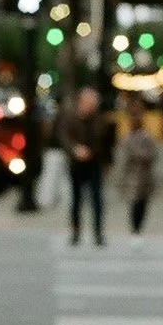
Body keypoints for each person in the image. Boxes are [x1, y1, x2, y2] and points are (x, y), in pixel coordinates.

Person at [58, 86, 108, 246]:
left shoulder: (98, 118)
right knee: (76, 199)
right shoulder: (70, 116)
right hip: (76, 162)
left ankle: (98, 232)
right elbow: (64, 136)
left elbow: (104, 138)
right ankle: (75, 231)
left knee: (97, 199)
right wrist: (75, 149)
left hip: (94, 162)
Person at [115, 97, 157, 234]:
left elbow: (153, 155)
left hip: (145, 175)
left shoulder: (146, 136)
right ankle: (135, 229)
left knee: (143, 202)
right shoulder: (127, 138)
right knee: (135, 202)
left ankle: (138, 228)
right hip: (132, 175)